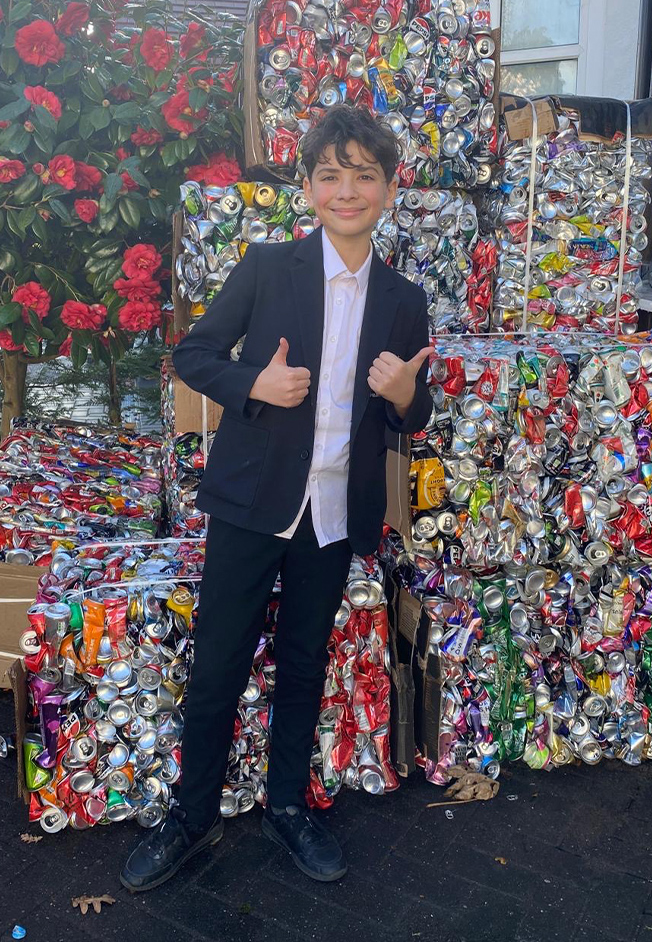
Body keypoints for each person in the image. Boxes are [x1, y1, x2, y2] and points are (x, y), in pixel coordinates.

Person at [121, 105, 435, 892]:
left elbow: (414, 412)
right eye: (330, 175)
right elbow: (192, 354)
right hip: (250, 503)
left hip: (333, 516)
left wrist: (405, 397)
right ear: (306, 188)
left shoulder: (403, 297)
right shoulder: (268, 269)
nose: (347, 189)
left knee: (303, 664)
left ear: (390, 189)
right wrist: (254, 385)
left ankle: (287, 806)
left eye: (365, 175)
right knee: (219, 663)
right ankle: (191, 817)